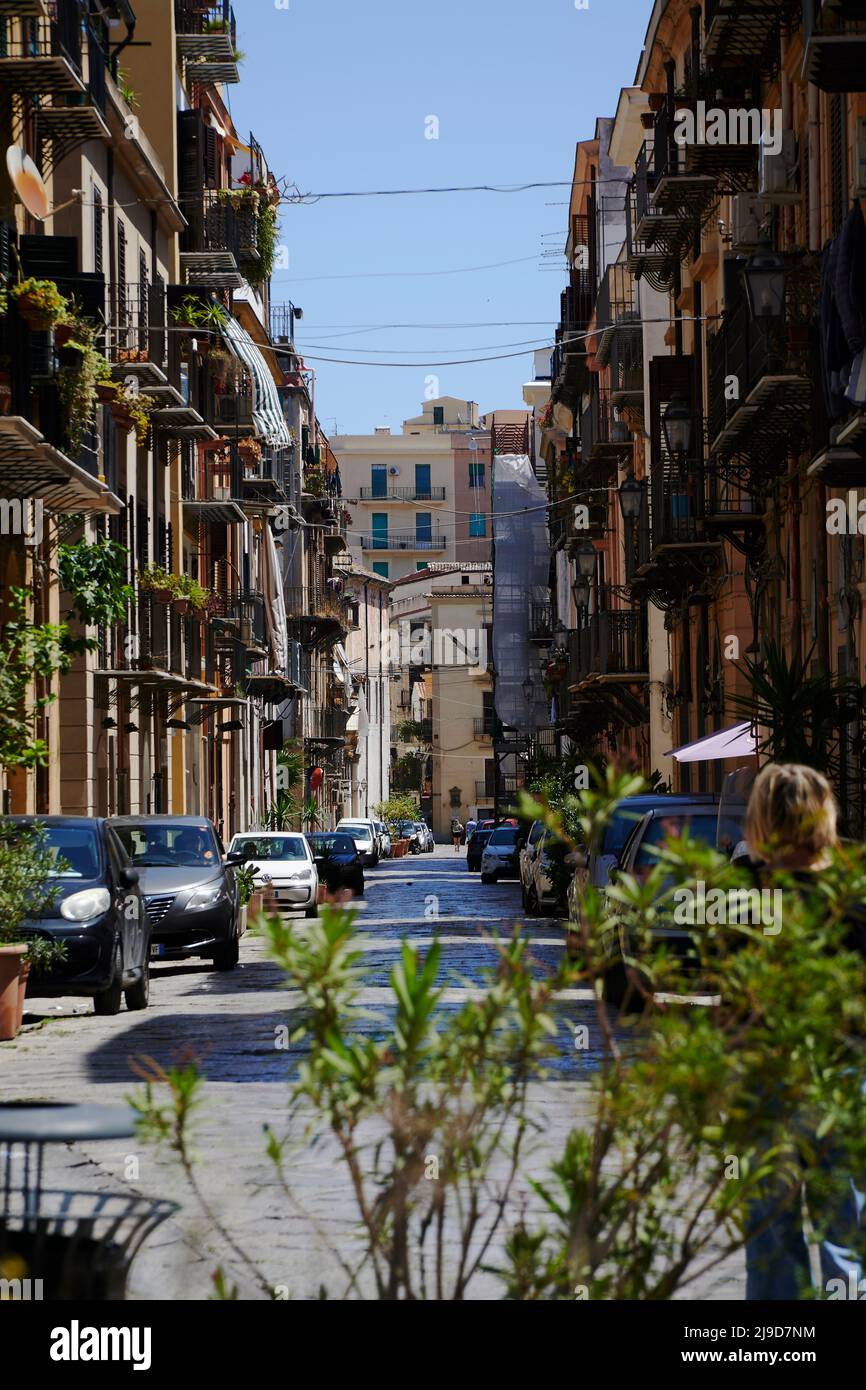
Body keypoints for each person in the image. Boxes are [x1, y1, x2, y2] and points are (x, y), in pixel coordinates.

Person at [741, 763, 866, 1300]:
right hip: (847, 1077)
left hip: (767, 1080)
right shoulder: (855, 892)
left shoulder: (744, 896)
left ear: (761, 818)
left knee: (772, 1241)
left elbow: (728, 1000)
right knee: (848, 1236)